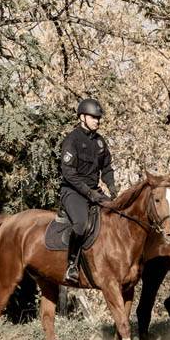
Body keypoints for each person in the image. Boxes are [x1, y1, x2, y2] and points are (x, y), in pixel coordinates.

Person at [59, 99, 117, 284]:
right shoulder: (72, 140)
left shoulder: (100, 142)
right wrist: (88, 193)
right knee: (81, 225)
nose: (97, 121)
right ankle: (71, 266)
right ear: (82, 117)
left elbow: (107, 168)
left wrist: (113, 188)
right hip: (73, 191)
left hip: (95, 191)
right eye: (94, 117)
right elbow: (68, 173)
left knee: (117, 216)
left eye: (99, 118)